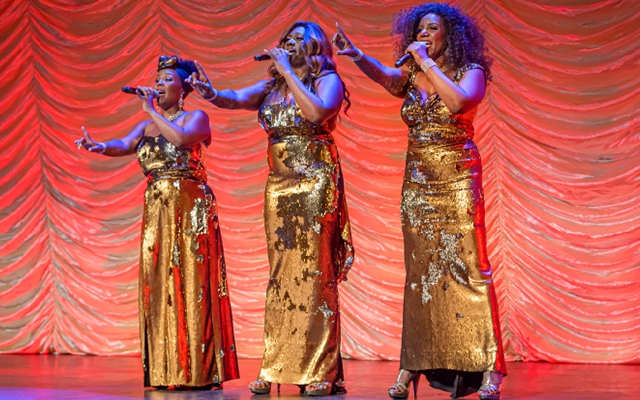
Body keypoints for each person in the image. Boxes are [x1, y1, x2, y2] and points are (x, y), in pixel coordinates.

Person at [333, 3, 506, 399]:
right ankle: (412, 363)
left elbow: (459, 102)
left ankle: (488, 367)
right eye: (419, 30)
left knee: (469, 268)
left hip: (457, 178)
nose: (423, 35)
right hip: (418, 185)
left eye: (432, 29)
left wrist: (426, 62)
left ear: (451, 35)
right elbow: (386, 76)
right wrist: (357, 55)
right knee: (421, 274)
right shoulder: (411, 73)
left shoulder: (471, 71)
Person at [186, 21, 354, 396]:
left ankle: (321, 370)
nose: (288, 44)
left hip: (314, 184)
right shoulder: (273, 87)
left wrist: (289, 72)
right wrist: (210, 93)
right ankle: (275, 364)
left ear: (314, 47)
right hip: (279, 187)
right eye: (286, 40)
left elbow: (317, 113)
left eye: (297, 40)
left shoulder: (326, 80)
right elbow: (234, 98)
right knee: (281, 276)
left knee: (314, 276)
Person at [75, 55, 239, 389]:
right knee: (161, 281)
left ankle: (200, 370)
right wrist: (99, 146)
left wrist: (151, 111)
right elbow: (125, 144)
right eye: (157, 80)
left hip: (191, 207)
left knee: (192, 282)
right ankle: (167, 370)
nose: (159, 85)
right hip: (158, 209)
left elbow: (180, 140)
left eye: (167, 80)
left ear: (183, 89)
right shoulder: (146, 126)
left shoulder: (197, 117)